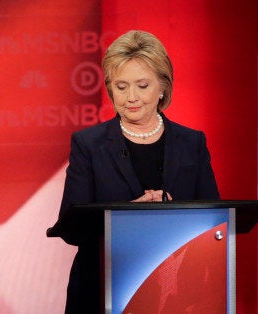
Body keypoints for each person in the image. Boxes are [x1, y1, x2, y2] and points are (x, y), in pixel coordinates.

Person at [46, 30, 220, 313]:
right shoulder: (88, 145)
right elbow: (71, 227)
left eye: (142, 85)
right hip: (101, 290)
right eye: (121, 86)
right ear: (110, 88)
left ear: (162, 86)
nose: (131, 97)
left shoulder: (192, 143)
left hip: (179, 291)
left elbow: (215, 220)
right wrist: (127, 216)